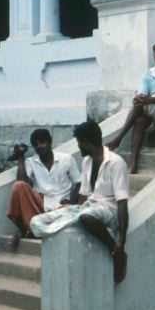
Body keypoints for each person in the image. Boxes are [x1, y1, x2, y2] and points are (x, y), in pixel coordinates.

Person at [30, 120, 130, 284]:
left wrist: (121, 242)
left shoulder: (115, 162)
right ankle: (68, 220)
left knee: (86, 217)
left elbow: (122, 202)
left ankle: (116, 253)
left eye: (79, 143)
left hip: (108, 209)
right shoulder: (87, 162)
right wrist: (71, 207)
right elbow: (84, 195)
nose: (78, 147)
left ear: (85, 142)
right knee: (37, 221)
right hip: (89, 206)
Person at [104, 39, 155, 173]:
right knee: (139, 120)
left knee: (140, 106)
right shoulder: (148, 74)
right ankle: (133, 163)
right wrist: (140, 98)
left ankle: (118, 138)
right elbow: (142, 95)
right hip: (154, 109)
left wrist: (146, 100)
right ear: (153, 54)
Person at [4, 128, 81, 247]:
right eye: (36, 144)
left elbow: (79, 183)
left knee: (67, 213)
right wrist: (20, 158)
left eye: (43, 142)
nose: (40, 146)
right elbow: (22, 182)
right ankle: (27, 228)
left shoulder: (66, 159)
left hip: (62, 208)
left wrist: (71, 201)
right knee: (18, 185)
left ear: (50, 142)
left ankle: (27, 230)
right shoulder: (31, 162)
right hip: (40, 208)